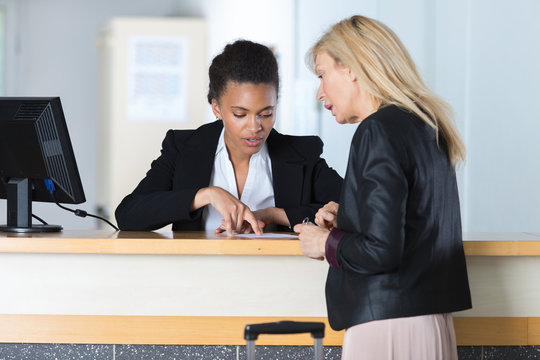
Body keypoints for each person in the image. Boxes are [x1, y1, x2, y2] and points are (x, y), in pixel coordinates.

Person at [293, 15, 472, 359]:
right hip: (431, 323)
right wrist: (348, 217)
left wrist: (326, 243)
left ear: (352, 68)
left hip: (387, 324)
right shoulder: (424, 124)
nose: (319, 93)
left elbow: (382, 250)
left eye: (321, 74)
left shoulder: (376, 131)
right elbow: (415, 224)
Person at [115, 40, 342, 234]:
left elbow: (354, 209)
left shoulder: (301, 152)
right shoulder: (183, 148)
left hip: (277, 281)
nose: (255, 127)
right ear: (217, 108)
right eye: (240, 114)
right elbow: (128, 215)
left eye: (266, 113)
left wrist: (273, 215)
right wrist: (205, 195)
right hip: (195, 279)